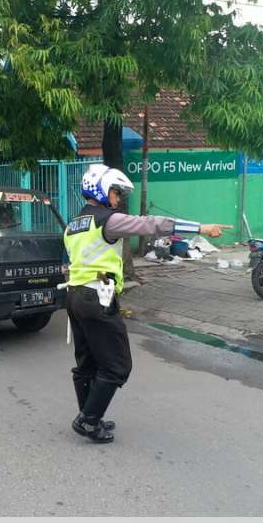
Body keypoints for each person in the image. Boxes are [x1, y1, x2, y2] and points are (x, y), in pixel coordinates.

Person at [64, 164, 231, 444]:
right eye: (116, 193)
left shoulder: (73, 224)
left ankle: (90, 414)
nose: (118, 200)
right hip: (97, 297)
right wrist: (200, 227)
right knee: (117, 366)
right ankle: (88, 421)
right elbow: (150, 224)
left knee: (88, 362)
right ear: (102, 191)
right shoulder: (109, 220)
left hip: (75, 295)